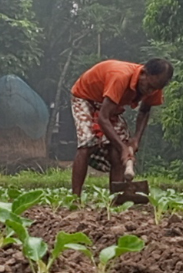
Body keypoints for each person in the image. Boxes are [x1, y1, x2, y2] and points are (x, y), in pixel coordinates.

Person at [69, 58, 174, 198]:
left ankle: (116, 198)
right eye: (149, 86)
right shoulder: (120, 76)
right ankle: (75, 198)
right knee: (87, 143)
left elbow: (144, 111)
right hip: (85, 97)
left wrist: (135, 139)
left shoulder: (155, 87)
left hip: (109, 103)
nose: (150, 92)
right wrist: (124, 148)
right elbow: (103, 117)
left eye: (155, 88)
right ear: (143, 73)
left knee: (117, 151)